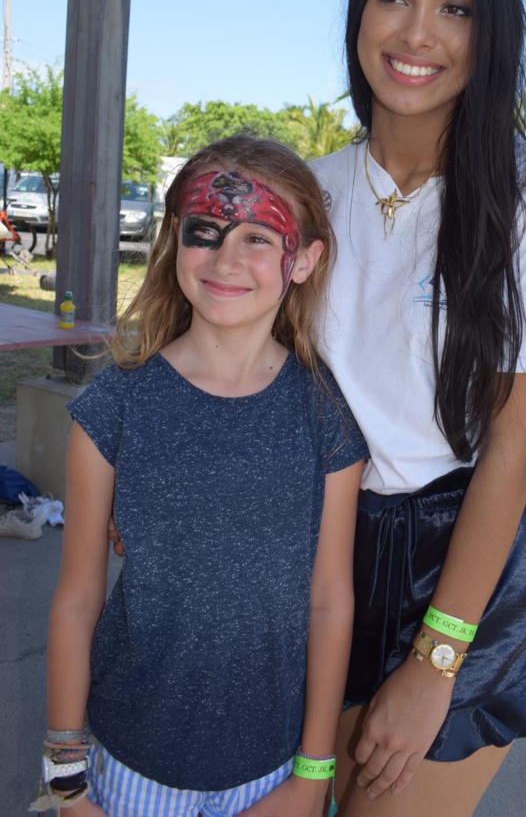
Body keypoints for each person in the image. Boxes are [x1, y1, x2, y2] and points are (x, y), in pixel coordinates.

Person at [309, 0, 526, 816]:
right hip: (319, 550)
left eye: (456, 6)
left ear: (490, 33)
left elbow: (515, 442)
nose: (417, 32)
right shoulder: (307, 192)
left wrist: (437, 660)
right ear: (360, 13)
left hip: (462, 558)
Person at [34, 136, 367, 817]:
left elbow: (330, 599)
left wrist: (313, 773)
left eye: (257, 237)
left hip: (270, 774)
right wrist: (64, 780)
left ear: (303, 258)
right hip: (127, 767)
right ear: (173, 238)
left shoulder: (324, 413)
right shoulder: (114, 406)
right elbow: (76, 601)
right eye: (205, 232)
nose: (225, 259)